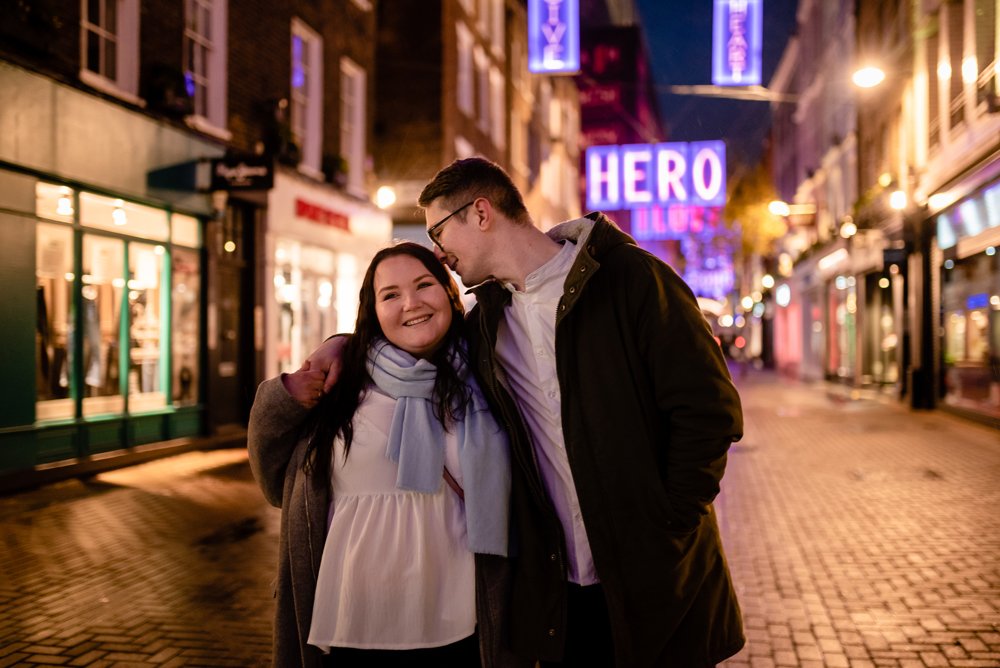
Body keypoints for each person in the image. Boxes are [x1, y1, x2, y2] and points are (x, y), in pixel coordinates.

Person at [307, 158, 745, 667]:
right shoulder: (487, 321)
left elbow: (709, 411)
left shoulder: (632, 280)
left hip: (658, 579)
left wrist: (669, 521)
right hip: (562, 592)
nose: (436, 251)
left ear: (481, 213)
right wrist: (341, 346)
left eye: (438, 230)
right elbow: (411, 341)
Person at [248, 242, 523, 668]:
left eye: (424, 285)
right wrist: (285, 392)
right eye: (390, 294)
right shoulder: (338, 384)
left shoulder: (489, 375)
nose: (411, 303)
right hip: (354, 620)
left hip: (458, 620)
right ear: (372, 310)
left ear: (450, 294)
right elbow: (271, 478)